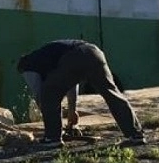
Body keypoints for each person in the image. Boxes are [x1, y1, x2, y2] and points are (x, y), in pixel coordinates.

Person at [17, 39, 145, 147]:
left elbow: (40, 94)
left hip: (75, 57)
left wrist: (48, 114)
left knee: (49, 92)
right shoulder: (48, 54)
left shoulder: (28, 65)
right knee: (111, 92)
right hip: (94, 52)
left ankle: (52, 138)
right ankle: (135, 134)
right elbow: (72, 81)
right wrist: (72, 111)